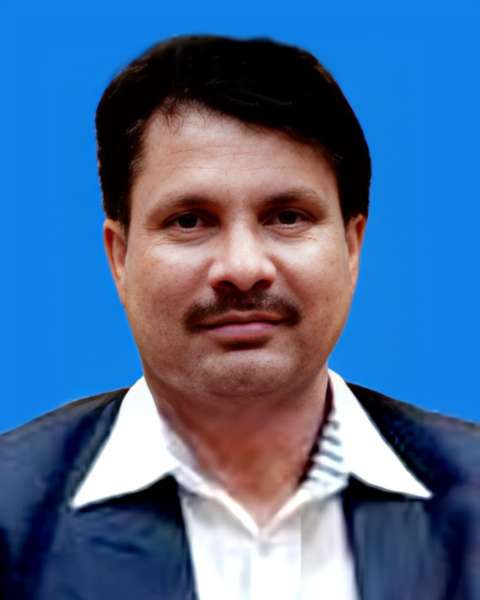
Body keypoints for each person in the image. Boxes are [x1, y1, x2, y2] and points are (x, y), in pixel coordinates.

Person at [1, 34, 479, 600]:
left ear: (353, 246)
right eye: (189, 221)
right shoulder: (13, 516)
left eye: (287, 216)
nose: (243, 268)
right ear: (119, 257)